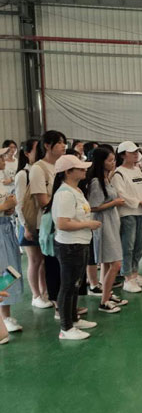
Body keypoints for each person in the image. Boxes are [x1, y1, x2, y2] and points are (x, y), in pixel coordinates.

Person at [50, 155, 101, 340]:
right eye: (80, 168)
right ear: (67, 172)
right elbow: (62, 223)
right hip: (70, 245)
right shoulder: (65, 194)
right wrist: (88, 224)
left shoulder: (76, 190)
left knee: (75, 284)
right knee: (68, 286)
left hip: (80, 243)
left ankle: (73, 319)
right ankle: (66, 328)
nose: (84, 170)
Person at [29, 130, 66, 311]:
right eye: (59, 142)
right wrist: (66, 201)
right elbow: (43, 201)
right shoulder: (38, 168)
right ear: (47, 145)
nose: (64, 146)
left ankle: (66, 304)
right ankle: (59, 305)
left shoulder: (61, 165)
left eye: (64, 142)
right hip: (49, 223)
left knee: (64, 265)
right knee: (52, 264)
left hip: (63, 220)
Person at [86, 147, 126, 314]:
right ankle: (104, 302)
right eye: (110, 160)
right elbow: (93, 207)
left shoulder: (106, 178)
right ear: (101, 162)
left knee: (108, 263)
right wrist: (114, 203)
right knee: (116, 263)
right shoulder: (96, 182)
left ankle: (107, 295)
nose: (113, 163)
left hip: (112, 221)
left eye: (113, 160)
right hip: (103, 223)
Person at [14, 139, 51, 308]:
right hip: (29, 224)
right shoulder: (23, 174)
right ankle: (36, 295)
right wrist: (25, 227)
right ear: (27, 153)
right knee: (34, 261)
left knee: (43, 260)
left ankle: (45, 292)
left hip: (41, 223)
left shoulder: (41, 170)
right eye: (37, 149)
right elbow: (19, 203)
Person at [112, 141, 142, 294]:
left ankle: (135, 274)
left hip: (141, 212)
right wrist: (139, 201)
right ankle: (127, 277)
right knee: (127, 246)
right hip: (127, 214)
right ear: (123, 155)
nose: (136, 154)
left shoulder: (138, 170)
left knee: (140, 245)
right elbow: (121, 194)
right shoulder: (118, 173)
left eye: (137, 151)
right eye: (132, 152)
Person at [0, 166, 23, 339]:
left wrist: (8, 209)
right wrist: (3, 206)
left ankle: (5, 315)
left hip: (6, 228)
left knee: (9, 271)